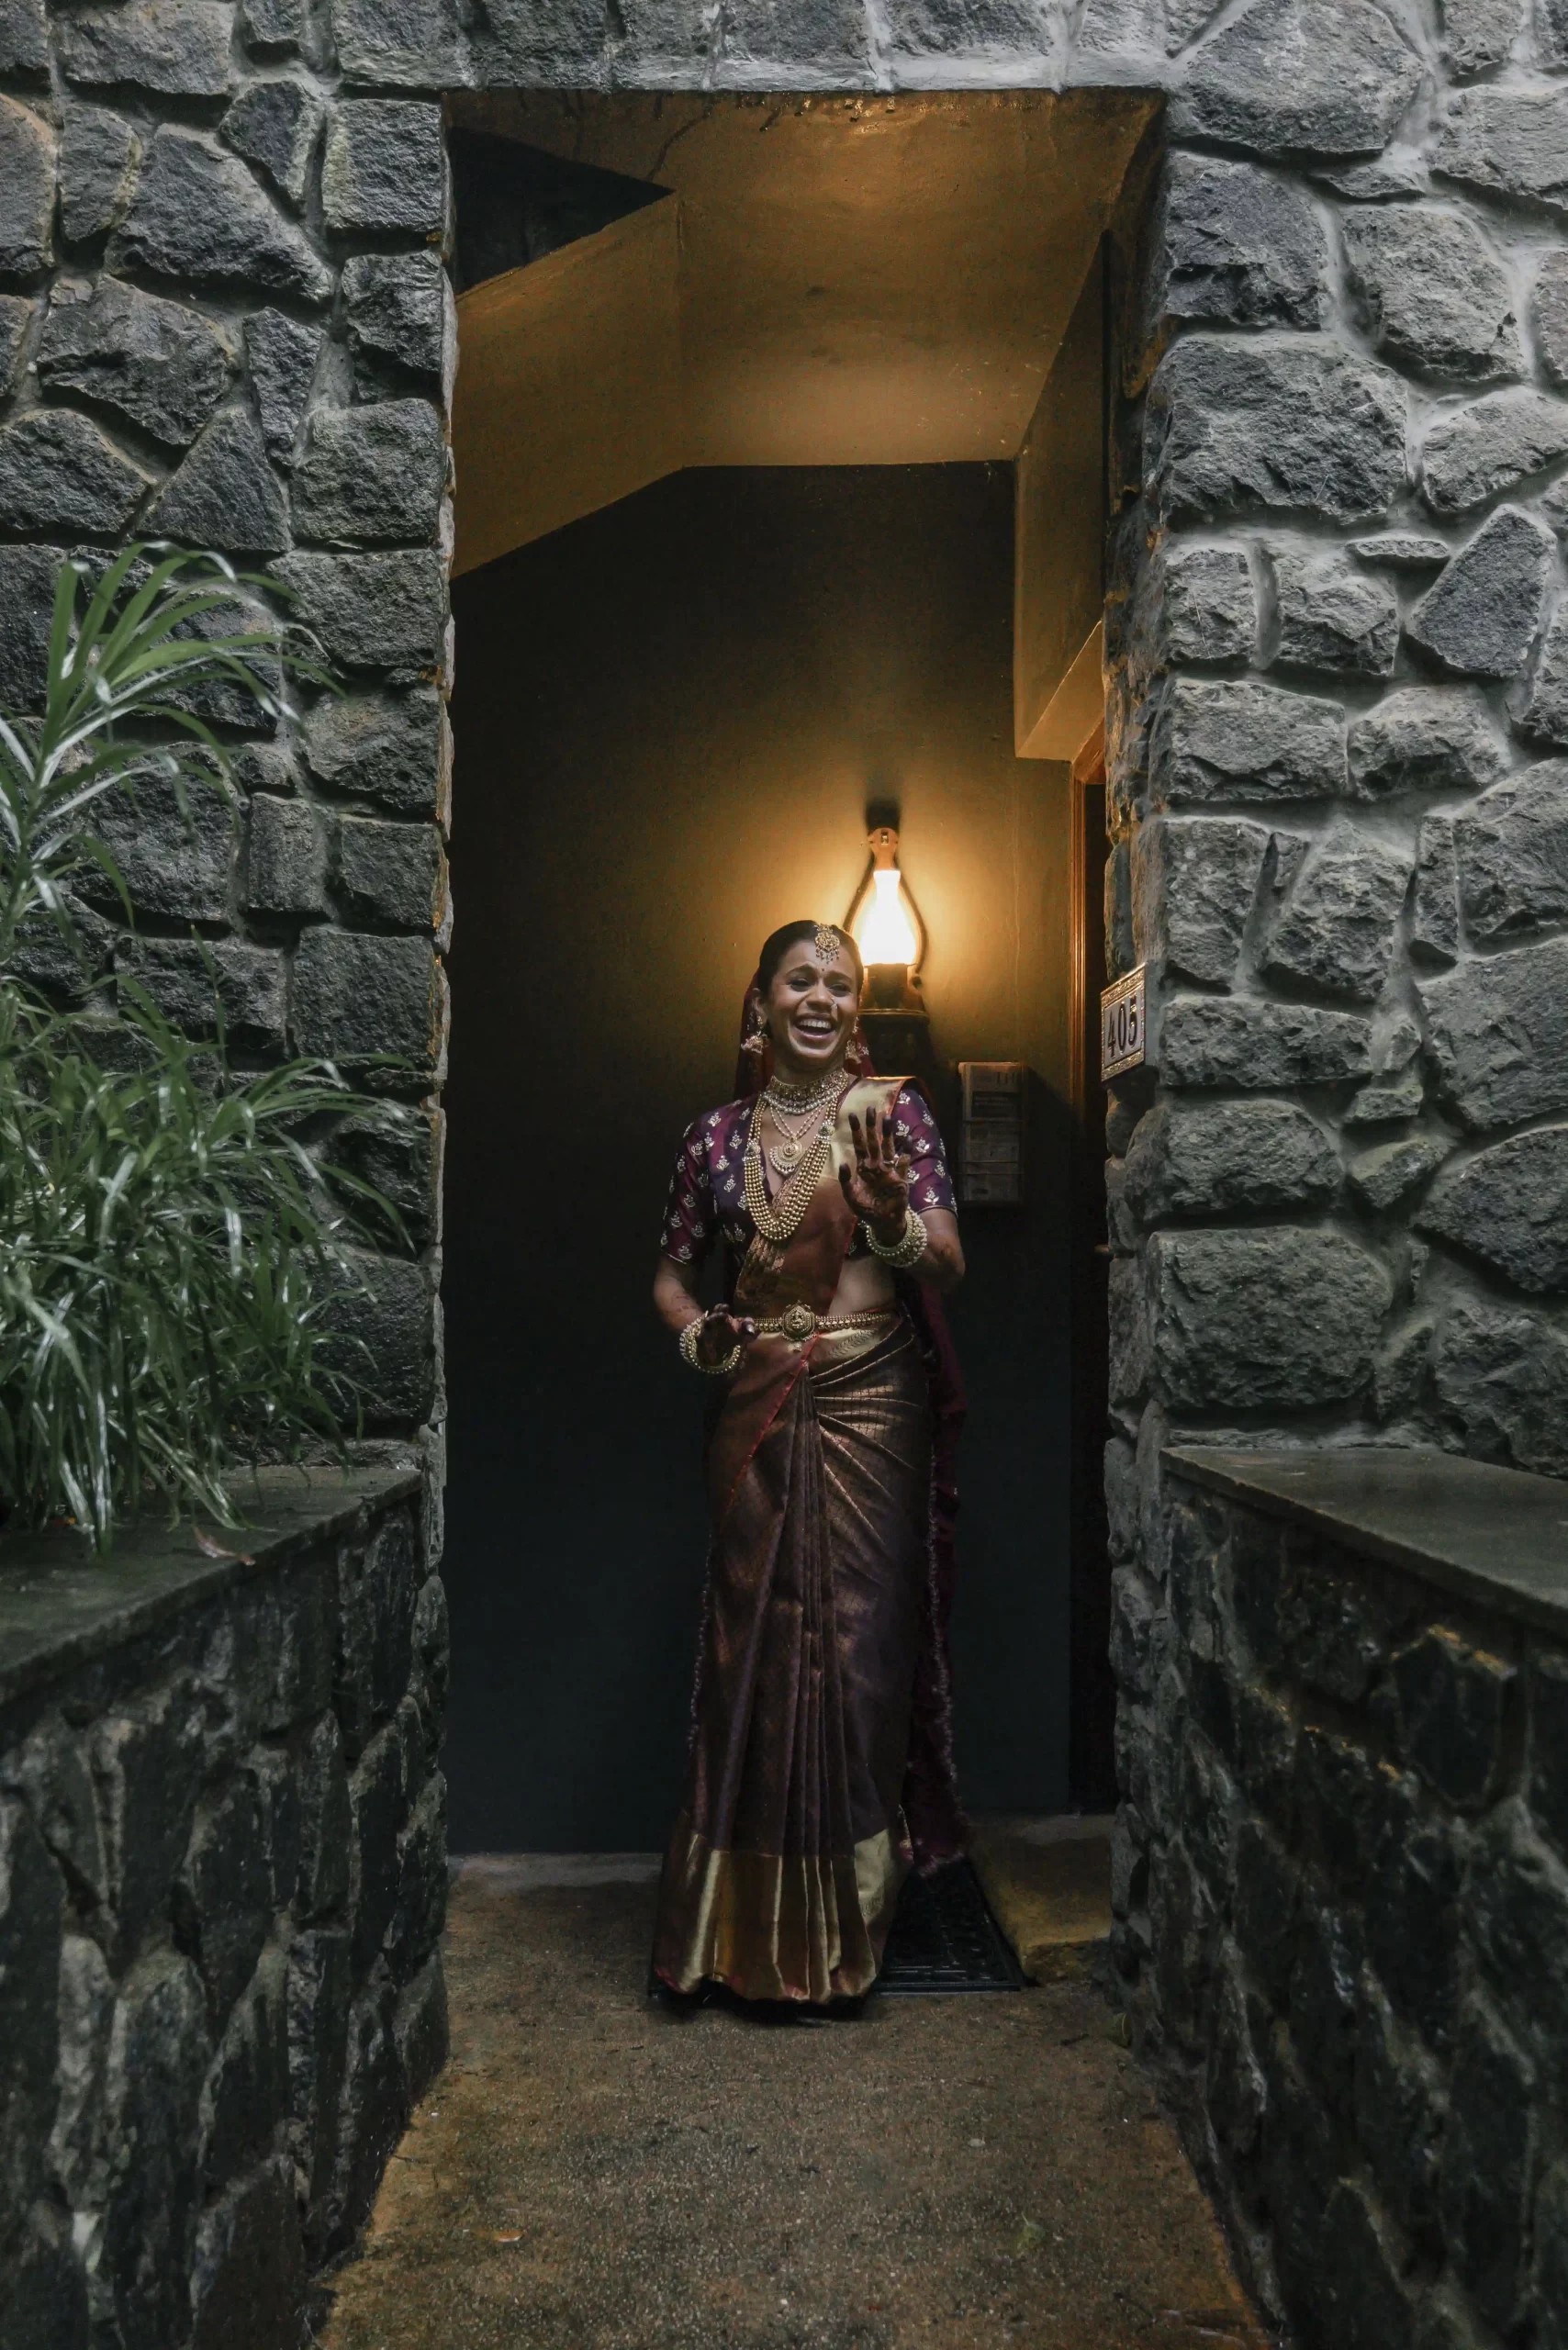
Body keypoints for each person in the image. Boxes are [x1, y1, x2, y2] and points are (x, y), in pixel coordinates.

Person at [651, 918, 968, 2006]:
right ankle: (732, 1932)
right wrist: (697, 1333)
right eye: (800, 979)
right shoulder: (713, 1138)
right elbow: (671, 1276)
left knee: (859, 1653)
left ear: (854, 1010)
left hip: (871, 1398)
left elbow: (947, 1259)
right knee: (752, 1651)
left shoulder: (889, 1115)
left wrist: (888, 1223)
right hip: (756, 1403)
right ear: (761, 1001)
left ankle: (850, 1927)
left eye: (840, 982)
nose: (822, 996)